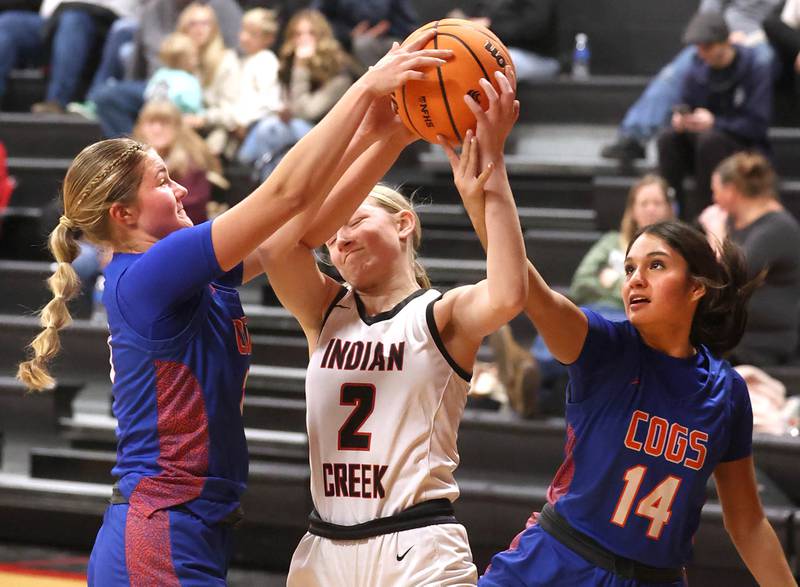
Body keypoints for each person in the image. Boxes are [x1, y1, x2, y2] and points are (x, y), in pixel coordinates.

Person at [16, 32, 449, 585]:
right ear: (124, 214)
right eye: (163, 181)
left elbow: (297, 230)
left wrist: (387, 135)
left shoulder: (185, 274)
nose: (179, 189)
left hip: (191, 527)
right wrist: (364, 87)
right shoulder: (148, 273)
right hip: (160, 533)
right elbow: (283, 196)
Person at [259, 67, 526, 586]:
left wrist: (492, 180)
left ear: (404, 223)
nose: (341, 240)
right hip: (323, 546)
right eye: (332, 237)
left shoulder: (440, 314)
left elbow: (510, 292)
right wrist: (384, 132)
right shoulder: (323, 311)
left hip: (417, 543)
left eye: (356, 221)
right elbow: (275, 246)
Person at [458, 176, 796, 583]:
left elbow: (747, 524)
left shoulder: (727, 391)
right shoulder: (606, 347)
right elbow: (530, 289)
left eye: (656, 265)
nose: (635, 278)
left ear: (696, 289)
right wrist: (485, 193)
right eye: (630, 268)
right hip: (560, 562)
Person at [601, 0, 780, 163]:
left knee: (763, 59)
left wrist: (754, 36)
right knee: (674, 72)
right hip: (721, 34)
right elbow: (710, 9)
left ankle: (745, 135)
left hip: (769, 37)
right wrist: (722, 34)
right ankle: (634, 136)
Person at [657, 11, 773, 221]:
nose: (703, 54)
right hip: (703, 143)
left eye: (708, 47)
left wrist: (715, 122)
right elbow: (685, 104)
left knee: (710, 140)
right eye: (700, 48)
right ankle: (671, 216)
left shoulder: (755, 67)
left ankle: (707, 219)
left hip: (743, 145)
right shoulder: (696, 68)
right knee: (668, 138)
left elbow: (757, 126)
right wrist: (682, 120)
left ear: (726, 42)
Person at [700, 152, 800, 366]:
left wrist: (715, 234)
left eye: (715, 189)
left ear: (731, 190)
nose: (713, 198)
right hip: (733, 335)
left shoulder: (777, 229)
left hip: (762, 341)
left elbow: (729, 275)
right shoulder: (733, 221)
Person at [90, 0, 242, 138]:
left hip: (200, 120)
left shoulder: (225, 60)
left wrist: (203, 118)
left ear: (214, 28)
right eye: (193, 24)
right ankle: (132, 153)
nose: (199, 29)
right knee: (107, 97)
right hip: (165, 104)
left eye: (204, 24)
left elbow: (232, 111)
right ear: (183, 27)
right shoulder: (177, 56)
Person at [238, 9, 353, 182]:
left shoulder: (338, 71)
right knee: (272, 134)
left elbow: (306, 111)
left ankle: (265, 188)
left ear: (322, 36)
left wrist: (301, 66)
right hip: (293, 132)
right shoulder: (287, 65)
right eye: (298, 34)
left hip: (328, 137)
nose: (303, 39)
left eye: (311, 33)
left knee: (269, 128)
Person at [570, 175, 674, 318]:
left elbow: (659, 297)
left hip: (633, 318)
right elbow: (580, 283)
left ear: (669, 208)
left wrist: (614, 282)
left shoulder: (673, 250)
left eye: (657, 203)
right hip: (594, 311)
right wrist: (634, 291)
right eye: (644, 203)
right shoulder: (611, 242)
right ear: (633, 211)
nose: (650, 209)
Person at [132, 100, 224, 223]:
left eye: (164, 123)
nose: (157, 129)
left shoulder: (194, 161)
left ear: (177, 127)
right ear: (141, 127)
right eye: (151, 123)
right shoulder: (132, 159)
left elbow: (193, 209)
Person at [449, 0, 560, 82]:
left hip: (536, 57)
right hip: (494, 49)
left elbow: (535, 26)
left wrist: (489, 25)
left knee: (485, 64)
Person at [227, 7, 283, 159]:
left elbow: (269, 99)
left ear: (269, 38)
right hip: (242, 125)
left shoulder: (266, 60)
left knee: (245, 160)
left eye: (252, 34)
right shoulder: (245, 60)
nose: (244, 37)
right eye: (243, 31)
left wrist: (244, 122)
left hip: (258, 125)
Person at [311, 0, 417, 68]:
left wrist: (383, 29)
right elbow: (317, 18)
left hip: (389, 38)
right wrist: (348, 33)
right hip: (347, 45)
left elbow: (408, 21)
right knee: (363, 44)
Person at [143, 32, 204, 114]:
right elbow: (193, 105)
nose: (197, 60)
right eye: (194, 56)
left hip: (153, 116)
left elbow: (147, 95)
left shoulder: (160, 74)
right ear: (185, 60)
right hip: (176, 120)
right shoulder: (189, 80)